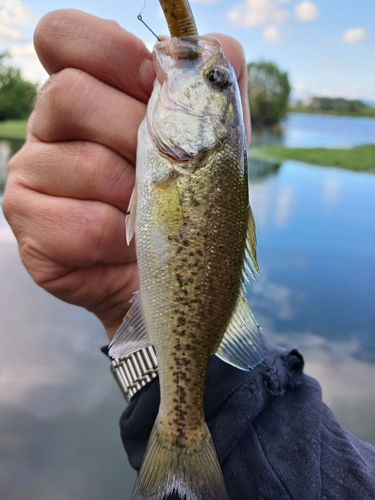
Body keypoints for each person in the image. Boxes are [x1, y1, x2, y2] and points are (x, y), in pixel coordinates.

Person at [3, 9, 375, 500]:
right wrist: (127, 312)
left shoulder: (192, 154)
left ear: (217, 130)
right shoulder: (183, 151)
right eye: (218, 80)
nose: (211, 72)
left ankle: (178, 435)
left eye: (216, 80)